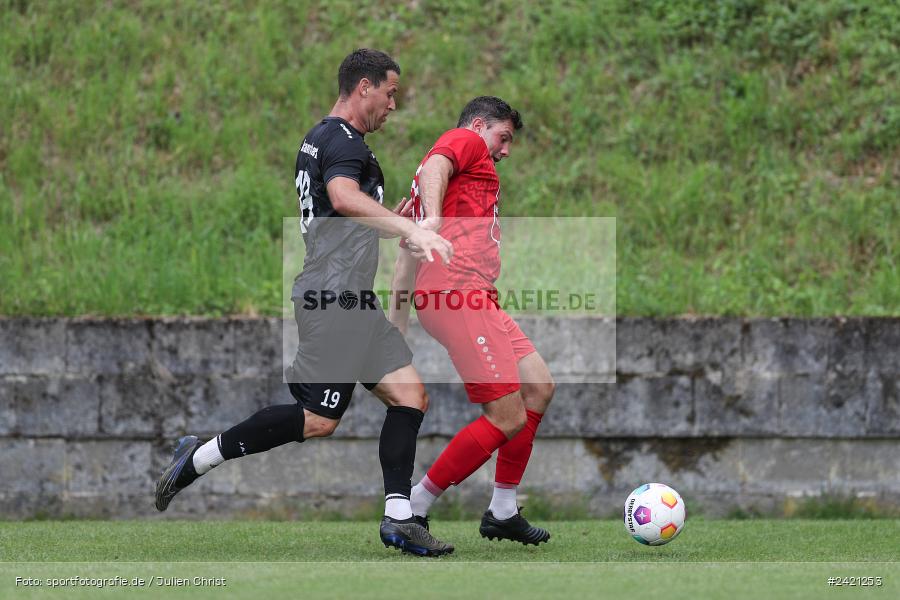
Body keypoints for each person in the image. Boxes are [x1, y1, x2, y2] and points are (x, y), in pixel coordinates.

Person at [155, 49, 455, 557]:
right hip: (333, 299)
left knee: (411, 397)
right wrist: (409, 228)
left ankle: (400, 519)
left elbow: (340, 217)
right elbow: (341, 198)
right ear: (363, 87)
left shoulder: (323, 138)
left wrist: (393, 222)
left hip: (353, 300)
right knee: (318, 419)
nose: (393, 105)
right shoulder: (344, 142)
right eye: (390, 93)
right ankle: (199, 456)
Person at [389, 96, 555, 546]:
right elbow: (435, 165)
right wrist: (435, 218)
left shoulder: (444, 184)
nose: (506, 150)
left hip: (475, 297)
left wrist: (396, 330)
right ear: (479, 126)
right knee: (506, 416)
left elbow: (406, 259)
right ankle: (414, 507)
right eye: (504, 137)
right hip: (457, 295)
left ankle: (503, 509)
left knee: (538, 386)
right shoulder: (464, 142)